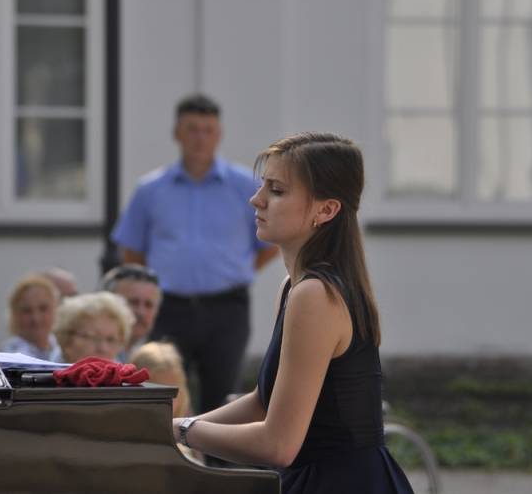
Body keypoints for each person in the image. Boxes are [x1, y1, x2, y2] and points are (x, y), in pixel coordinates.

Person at [171, 133, 414, 493]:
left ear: (326, 210)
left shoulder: (315, 295)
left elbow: (279, 444)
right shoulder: (296, 287)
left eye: (277, 190)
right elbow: (263, 402)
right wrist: (177, 427)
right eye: (263, 186)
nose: (257, 199)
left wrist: (181, 431)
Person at [111, 93, 278, 413]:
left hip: (227, 309)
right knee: (162, 391)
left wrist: (240, 270)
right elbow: (131, 249)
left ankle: (214, 449)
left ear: (219, 134)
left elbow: (270, 241)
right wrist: (152, 289)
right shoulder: (150, 189)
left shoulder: (246, 186)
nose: (200, 138)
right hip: (168, 308)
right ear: (177, 133)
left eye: (208, 130)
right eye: (192, 129)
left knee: (223, 398)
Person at [101, 264, 163, 361]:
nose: (141, 312)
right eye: (133, 302)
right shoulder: (92, 353)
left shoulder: (155, 357)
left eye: (148, 305)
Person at [52, 291, 135, 363]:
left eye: (111, 339)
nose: (103, 348)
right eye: (95, 338)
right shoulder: (47, 373)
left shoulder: (122, 374)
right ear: (67, 339)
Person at [0, 274, 61, 360]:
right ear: (14, 315)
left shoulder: (65, 349)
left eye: (43, 308)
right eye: (27, 311)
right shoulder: (6, 358)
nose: (36, 318)